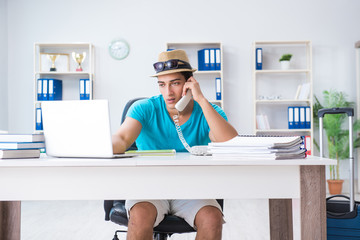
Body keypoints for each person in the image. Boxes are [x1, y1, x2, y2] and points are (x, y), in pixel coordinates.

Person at [112, 49, 238, 240]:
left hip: (192, 187)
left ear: (190, 83)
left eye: (175, 83)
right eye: (162, 85)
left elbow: (229, 142)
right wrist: (94, 145)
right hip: (150, 186)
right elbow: (121, 139)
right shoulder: (145, 108)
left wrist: (201, 100)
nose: (168, 93)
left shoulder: (209, 112)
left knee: (212, 218)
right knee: (139, 216)